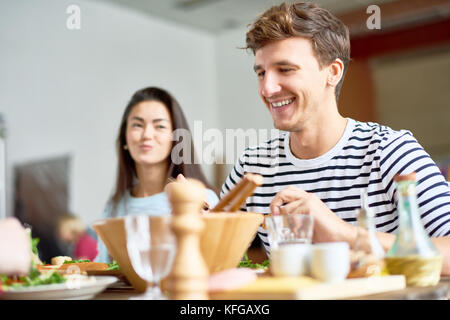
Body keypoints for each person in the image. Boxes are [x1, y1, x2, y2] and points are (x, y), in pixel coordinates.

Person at [221, 2, 450, 274]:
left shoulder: (390, 151)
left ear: (333, 72)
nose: (268, 88)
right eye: (261, 72)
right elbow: (212, 254)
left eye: (285, 69)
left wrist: (342, 232)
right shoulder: (252, 167)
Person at [96, 87, 219, 262]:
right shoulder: (114, 207)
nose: (147, 135)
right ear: (124, 138)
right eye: (137, 125)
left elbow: (217, 264)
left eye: (159, 126)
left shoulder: (201, 199)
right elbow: (104, 270)